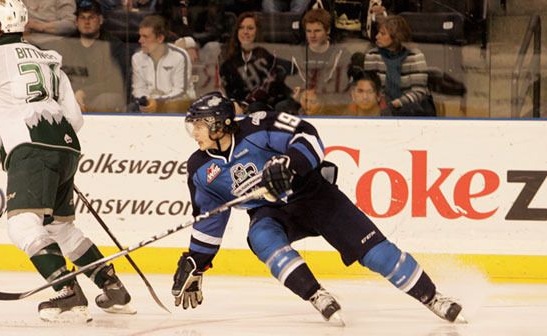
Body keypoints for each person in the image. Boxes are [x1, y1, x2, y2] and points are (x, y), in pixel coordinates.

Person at [171, 91, 465, 325]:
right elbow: (209, 219)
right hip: (271, 210)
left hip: (312, 193)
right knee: (261, 237)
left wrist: (291, 163)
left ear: (219, 124)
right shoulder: (200, 168)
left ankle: (433, 297)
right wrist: (198, 262)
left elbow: (307, 134)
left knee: (376, 253)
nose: (193, 132)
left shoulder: (258, 126)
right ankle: (317, 295)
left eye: (198, 124)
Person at [0, 0, 135, 322]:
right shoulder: (48, 58)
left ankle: (66, 293)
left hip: (30, 147)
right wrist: (54, 151)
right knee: (59, 227)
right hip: (67, 145)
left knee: (21, 225)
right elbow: (74, 118)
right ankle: (112, 288)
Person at [53, 1, 127, 112]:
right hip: (70, 96)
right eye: (82, 18)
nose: (86, 22)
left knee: (108, 99)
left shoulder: (113, 46)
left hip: (99, 98)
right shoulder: (65, 45)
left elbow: (116, 83)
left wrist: (85, 92)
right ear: (76, 22)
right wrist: (74, 93)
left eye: (91, 17)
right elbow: (58, 77)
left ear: (100, 20)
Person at [363, 15, 435, 117]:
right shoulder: (372, 55)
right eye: (378, 32)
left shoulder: (415, 55)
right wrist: (384, 104)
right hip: (382, 107)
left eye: (382, 34)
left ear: (396, 37)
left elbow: (419, 91)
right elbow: (371, 89)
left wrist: (397, 103)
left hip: (411, 107)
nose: (377, 36)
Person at [219, 12, 292, 110]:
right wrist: (235, 104)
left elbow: (271, 90)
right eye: (241, 28)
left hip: (263, 109)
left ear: (257, 32)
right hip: (238, 109)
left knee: (255, 107)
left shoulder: (268, 58)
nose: (245, 32)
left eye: (250, 28)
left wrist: (246, 104)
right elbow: (228, 91)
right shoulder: (229, 62)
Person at [284, 8, 351, 116]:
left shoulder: (341, 54)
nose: (312, 36)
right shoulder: (296, 54)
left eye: (317, 31)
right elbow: (289, 84)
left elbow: (342, 84)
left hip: (330, 100)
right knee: (283, 106)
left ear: (328, 30)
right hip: (302, 100)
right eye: (309, 31)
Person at [131, 14, 195, 113]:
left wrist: (157, 102)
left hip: (178, 106)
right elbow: (138, 89)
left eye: (145, 37)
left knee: (173, 106)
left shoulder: (180, 56)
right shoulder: (137, 58)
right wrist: (146, 101)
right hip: (149, 105)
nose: (140, 41)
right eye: (140, 36)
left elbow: (180, 91)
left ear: (160, 38)